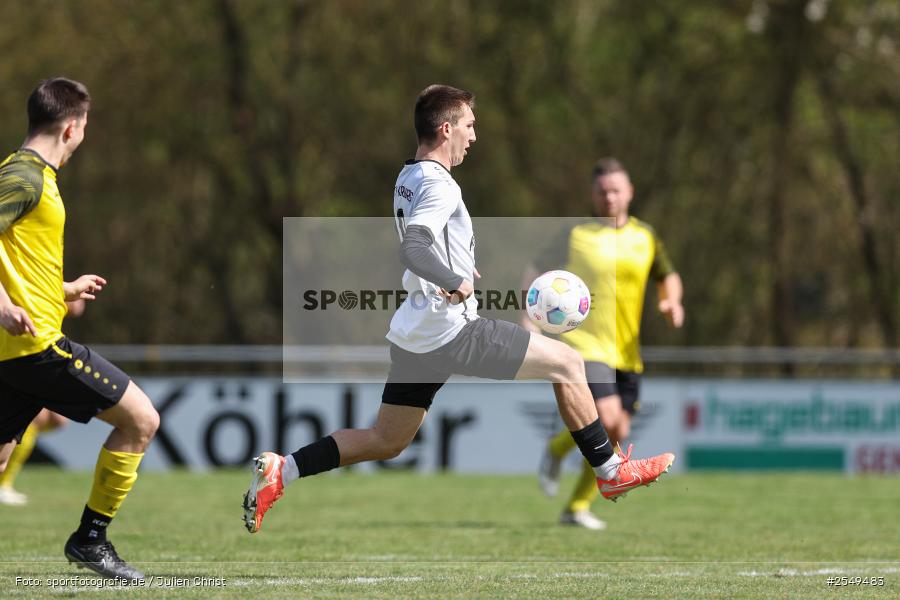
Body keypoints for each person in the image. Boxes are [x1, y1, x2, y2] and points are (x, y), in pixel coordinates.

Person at [243, 85, 675, 534]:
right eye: (469, 125)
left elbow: (425, 241)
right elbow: (414, 247)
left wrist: (460, 265)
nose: (473, 136)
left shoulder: (408, 176)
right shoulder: (439, 184)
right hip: (452, 329)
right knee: (568, 363)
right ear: (446, 128)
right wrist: (455, 280)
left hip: (418, 331)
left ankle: (282, 470)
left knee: (386, 440)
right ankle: (609, 472)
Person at [0, 78, 159, 580]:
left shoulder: (25, 174)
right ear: (71, 128)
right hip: (38, 349)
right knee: (141, 420)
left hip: (14, 354)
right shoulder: (25, 178)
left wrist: (62, 289)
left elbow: (16, 259)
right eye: (85, 128)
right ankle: (91, 539)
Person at [525, 157, 684, 530]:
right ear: (592, 195)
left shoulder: (645, 237)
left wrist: (671, 301)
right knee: (608, 419)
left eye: (615, 190)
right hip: (585, 346)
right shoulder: (575, 234)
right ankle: (561, 458)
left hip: (627, 351)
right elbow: (536, 271)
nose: (609, 197)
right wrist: (527, 313)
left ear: (629, 193)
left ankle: (575, 503)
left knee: (617, 433)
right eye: (602, 191)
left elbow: (668, 275)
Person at [0, 300, 83, 506]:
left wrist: (71, 290)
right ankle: (4, 484)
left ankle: (4, 483)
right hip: (18, 350)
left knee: (55, 419)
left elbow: (76, 307)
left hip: (33, 348)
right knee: (40, 417)